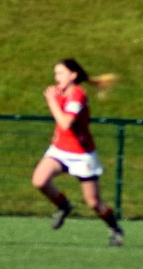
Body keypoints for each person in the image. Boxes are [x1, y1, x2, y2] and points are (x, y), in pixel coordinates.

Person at [33, 58, 125, 246]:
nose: (56, 77)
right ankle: (64, 206)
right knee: (39, 181)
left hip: (82, 155)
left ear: (73, 75)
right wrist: (54, 98)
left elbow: (66, 123)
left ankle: (115, 228)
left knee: (93, 202)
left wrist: (51, 102)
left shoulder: (78, 95)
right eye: (55, 73)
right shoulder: (59, 92)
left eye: (60, 73)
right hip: (60, 150)